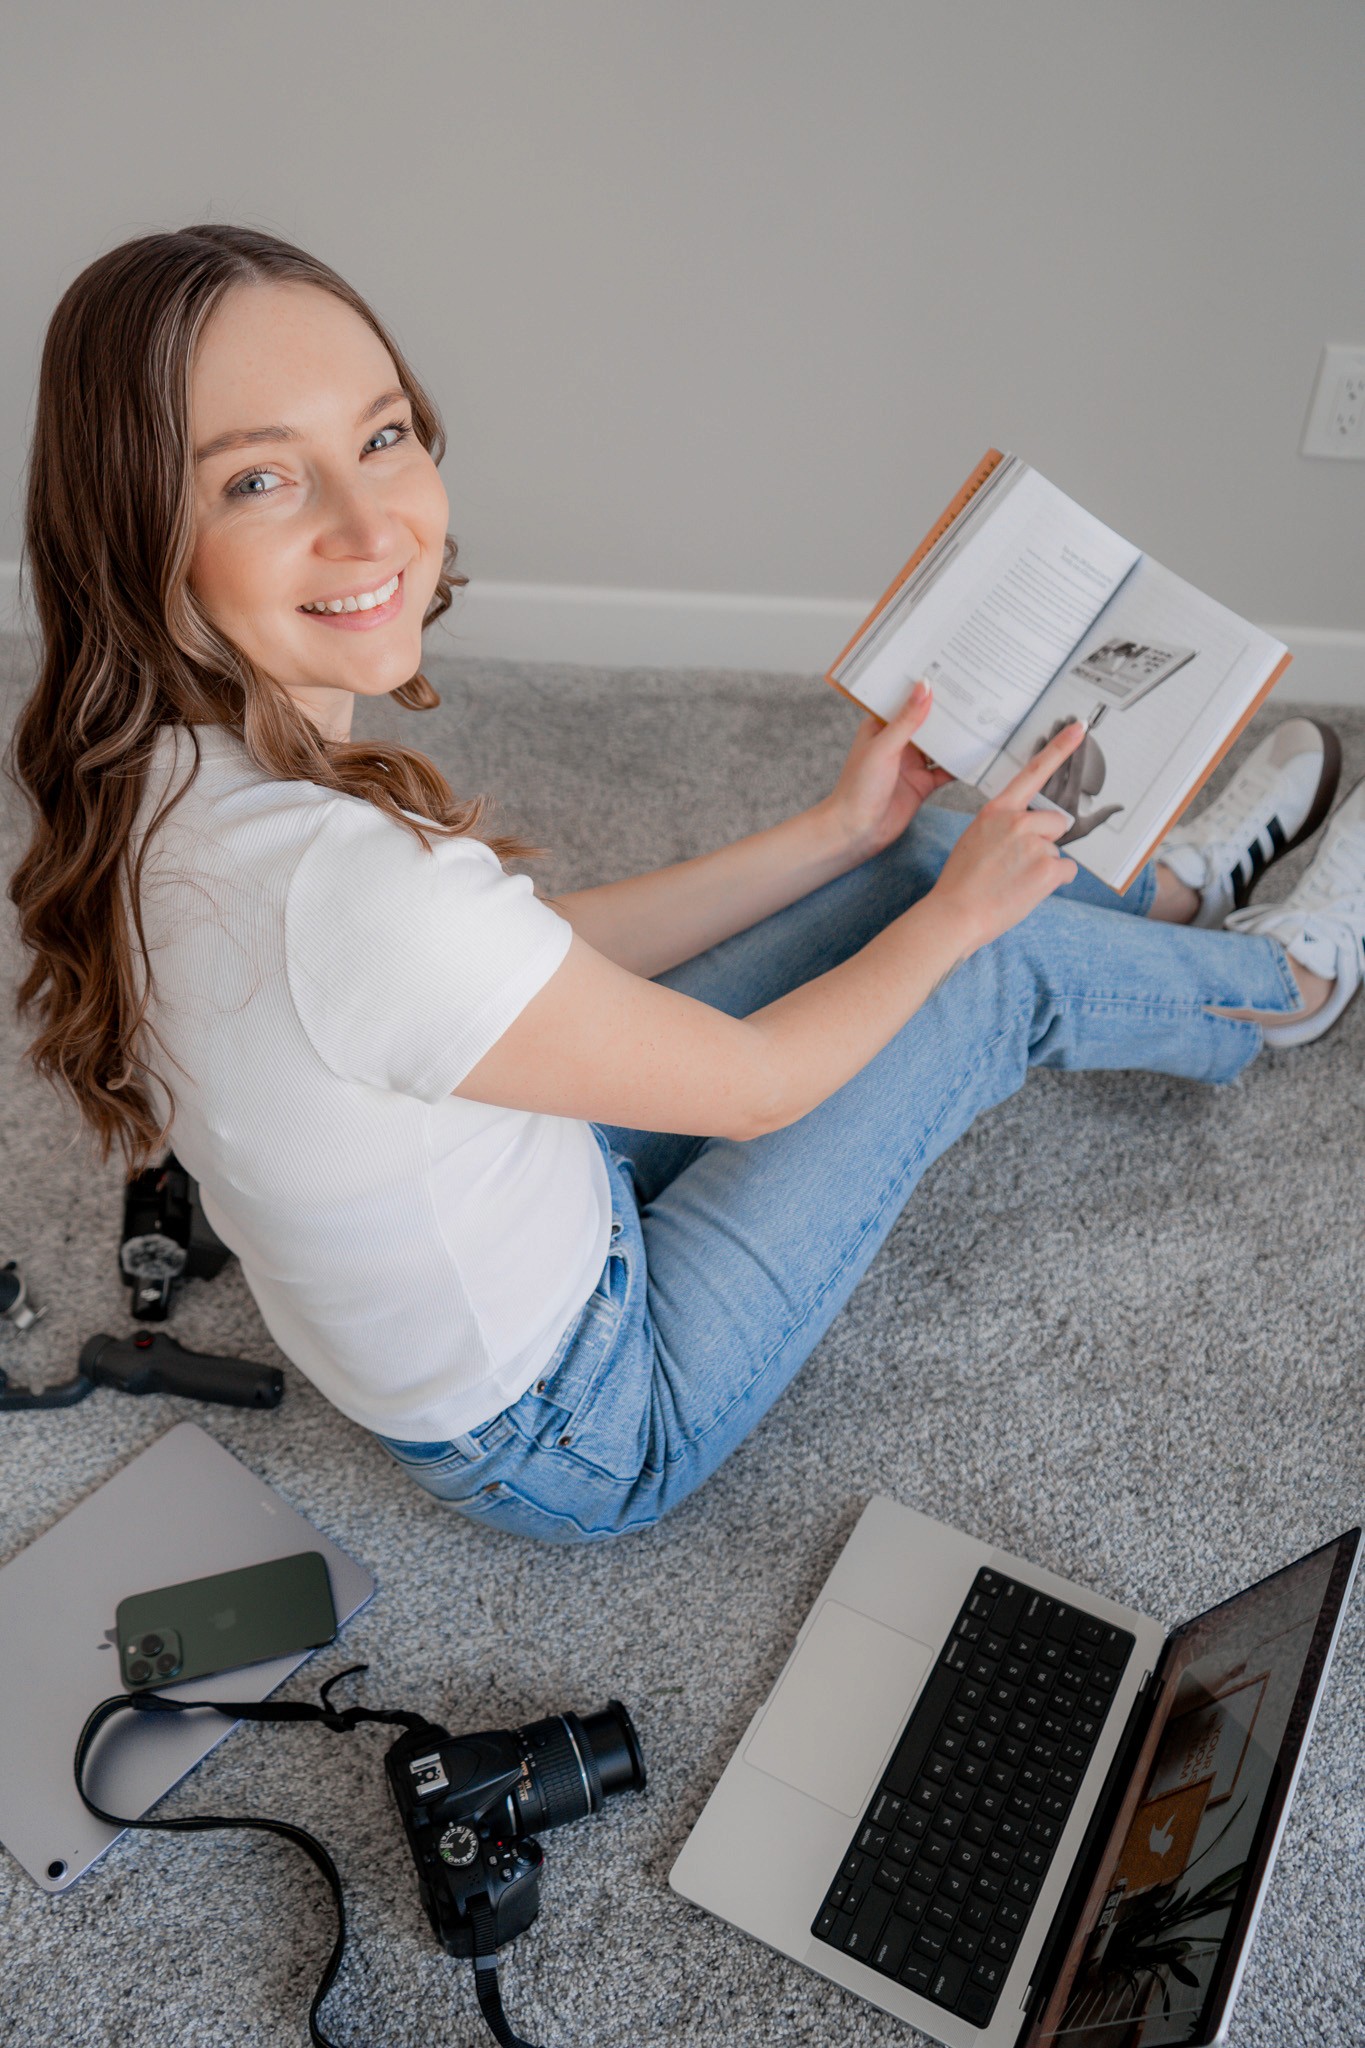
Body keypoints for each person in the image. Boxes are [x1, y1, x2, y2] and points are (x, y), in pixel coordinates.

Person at [10, 225, 1365, 1545]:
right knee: (985, 969)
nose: (372, 526)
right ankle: (1286, 987)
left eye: (380, 437)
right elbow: (758, 1085)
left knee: (905, 855)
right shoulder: (350, 888)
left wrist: (835, 830)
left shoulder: (153, 774)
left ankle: (1173, 906)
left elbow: (515, 967)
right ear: (139, 532)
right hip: (578, 1425)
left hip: (517, 1199)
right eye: (261, 480)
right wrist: (955, 927)